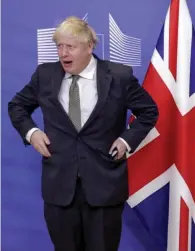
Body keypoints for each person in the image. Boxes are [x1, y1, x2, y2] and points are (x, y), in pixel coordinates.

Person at [8, 16, 158, 251]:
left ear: (89, 46)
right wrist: (32, 132)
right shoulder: (45, 75)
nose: (63, 53)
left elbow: (149, 111)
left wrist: (126, 141)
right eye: (59, 46)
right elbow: (17, 106)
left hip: (104, 186)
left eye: (70, 47)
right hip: (59, 187)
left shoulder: (119, 76)